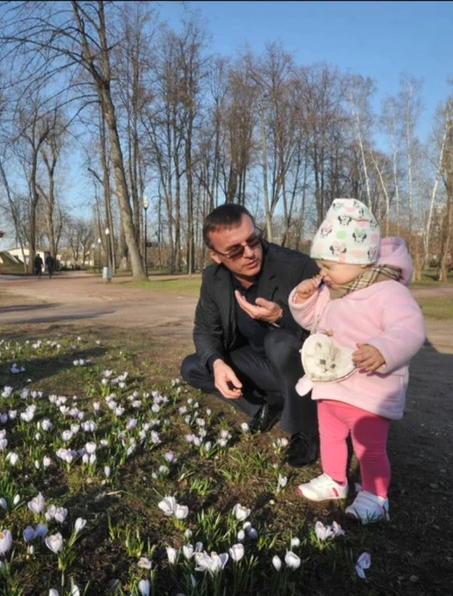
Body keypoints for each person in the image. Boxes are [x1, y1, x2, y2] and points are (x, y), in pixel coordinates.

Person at [289, 198, 425, 524]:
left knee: (369, 448)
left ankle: (376, 497)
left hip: (370, 389)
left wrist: (384, 349)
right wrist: (303, 301)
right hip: (331, 384)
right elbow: (314, 322)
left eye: (328, 267)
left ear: (359, 261)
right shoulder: (334, 290)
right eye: (321, 267)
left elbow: (410, 329)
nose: (323, 274)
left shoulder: (389, 292)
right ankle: (335, 480)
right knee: (331, 435)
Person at [180, 203, 321, 467]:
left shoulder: (296, 267)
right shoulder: (213, 278)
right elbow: (205, 330)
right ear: (215, 255)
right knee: (194, 366)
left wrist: (282, 317)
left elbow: (331, 327)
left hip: (303, 370)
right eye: (235, 250)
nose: (250, 253)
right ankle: (266, 407)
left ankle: (306, 428)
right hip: (258, 366)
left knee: (278, 342)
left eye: (253, 240)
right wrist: (218, 363)